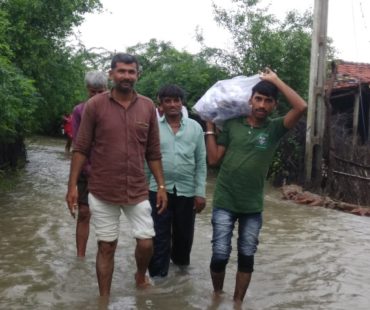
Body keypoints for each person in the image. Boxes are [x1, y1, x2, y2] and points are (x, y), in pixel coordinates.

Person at [65, 53, 167, 296]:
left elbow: (153, 152)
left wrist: (161, 186)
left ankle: (140, 275)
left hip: (137, 189)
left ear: (137, 75)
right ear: (111, 74)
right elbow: (81, 148)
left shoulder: (147, 107)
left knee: (146, 242)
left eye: (131, 72)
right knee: (107, 246)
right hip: (102, 190)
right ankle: (104, 299)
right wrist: (72, 187)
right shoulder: (95, 105)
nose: (126, 76)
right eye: (121, 71)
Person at [205, 68, 307, 305]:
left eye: (268, 101)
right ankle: (217, 297)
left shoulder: (274, 129)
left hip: (252, 206)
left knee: (246, 256)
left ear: (274, 105)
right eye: (258, 99)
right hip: (224, 201)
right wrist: (209, 125)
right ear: (250, 100)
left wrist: (275, 80)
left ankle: (237, 303)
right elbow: (213, 160)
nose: (262, 104)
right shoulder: (232, 125)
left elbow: (301, 107)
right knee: (219, 255)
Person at [148, 85, 207, 278]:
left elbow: (200, 162)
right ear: (161, 105)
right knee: (158, 236)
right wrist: (142, 189)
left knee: (184, 238)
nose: (173, 104)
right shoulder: (154, 127)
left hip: (187, 191)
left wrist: (200, 192)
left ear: (182, 103)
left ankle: (181, 281)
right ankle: (158, 280)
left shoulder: (195, 128)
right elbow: (145, 160)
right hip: (157, 189)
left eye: (176, 100)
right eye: (168, 101)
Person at [71, 71, 108, 257]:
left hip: (109, 171)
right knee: (84, 212)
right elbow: (79, 144)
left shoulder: (113, 110)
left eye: (100, 91)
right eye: (92, 92)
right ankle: (80, 257)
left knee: (107, 216)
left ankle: (105, 254)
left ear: (107, 90)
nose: (96, 96)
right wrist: (86, 170)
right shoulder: (79, 111)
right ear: (87, 90)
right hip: (87, 171)